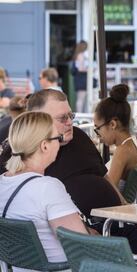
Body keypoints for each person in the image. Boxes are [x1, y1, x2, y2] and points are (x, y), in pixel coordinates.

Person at [0, 89, 137, 268]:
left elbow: (104, 178)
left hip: (100, 230)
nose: (69, 122)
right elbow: (81, 244)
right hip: (82, 255)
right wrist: (91, 233)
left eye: (71, 115)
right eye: (61, 119)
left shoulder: (9, 179)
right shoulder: (45, 186)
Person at [0, 111, 88, 270]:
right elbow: (82, 247)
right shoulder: (47, 188)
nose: (60, 144)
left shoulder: (2, 183)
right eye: (58, 138)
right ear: (45, 145)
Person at [94, 83, 137, 199]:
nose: (98, 135)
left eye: (98, 129)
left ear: (112, 124)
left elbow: (108, 191)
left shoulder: (122, 151)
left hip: (109, 214)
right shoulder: (131, 145)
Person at [72, 41, 88, 112]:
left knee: (80, 98)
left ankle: (79, 113)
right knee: (81, 99)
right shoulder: (81, 55)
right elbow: (81, 68)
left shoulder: (77, 55)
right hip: (81, 78)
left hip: (78, 78)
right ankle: (80, 114)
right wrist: (89, 69)